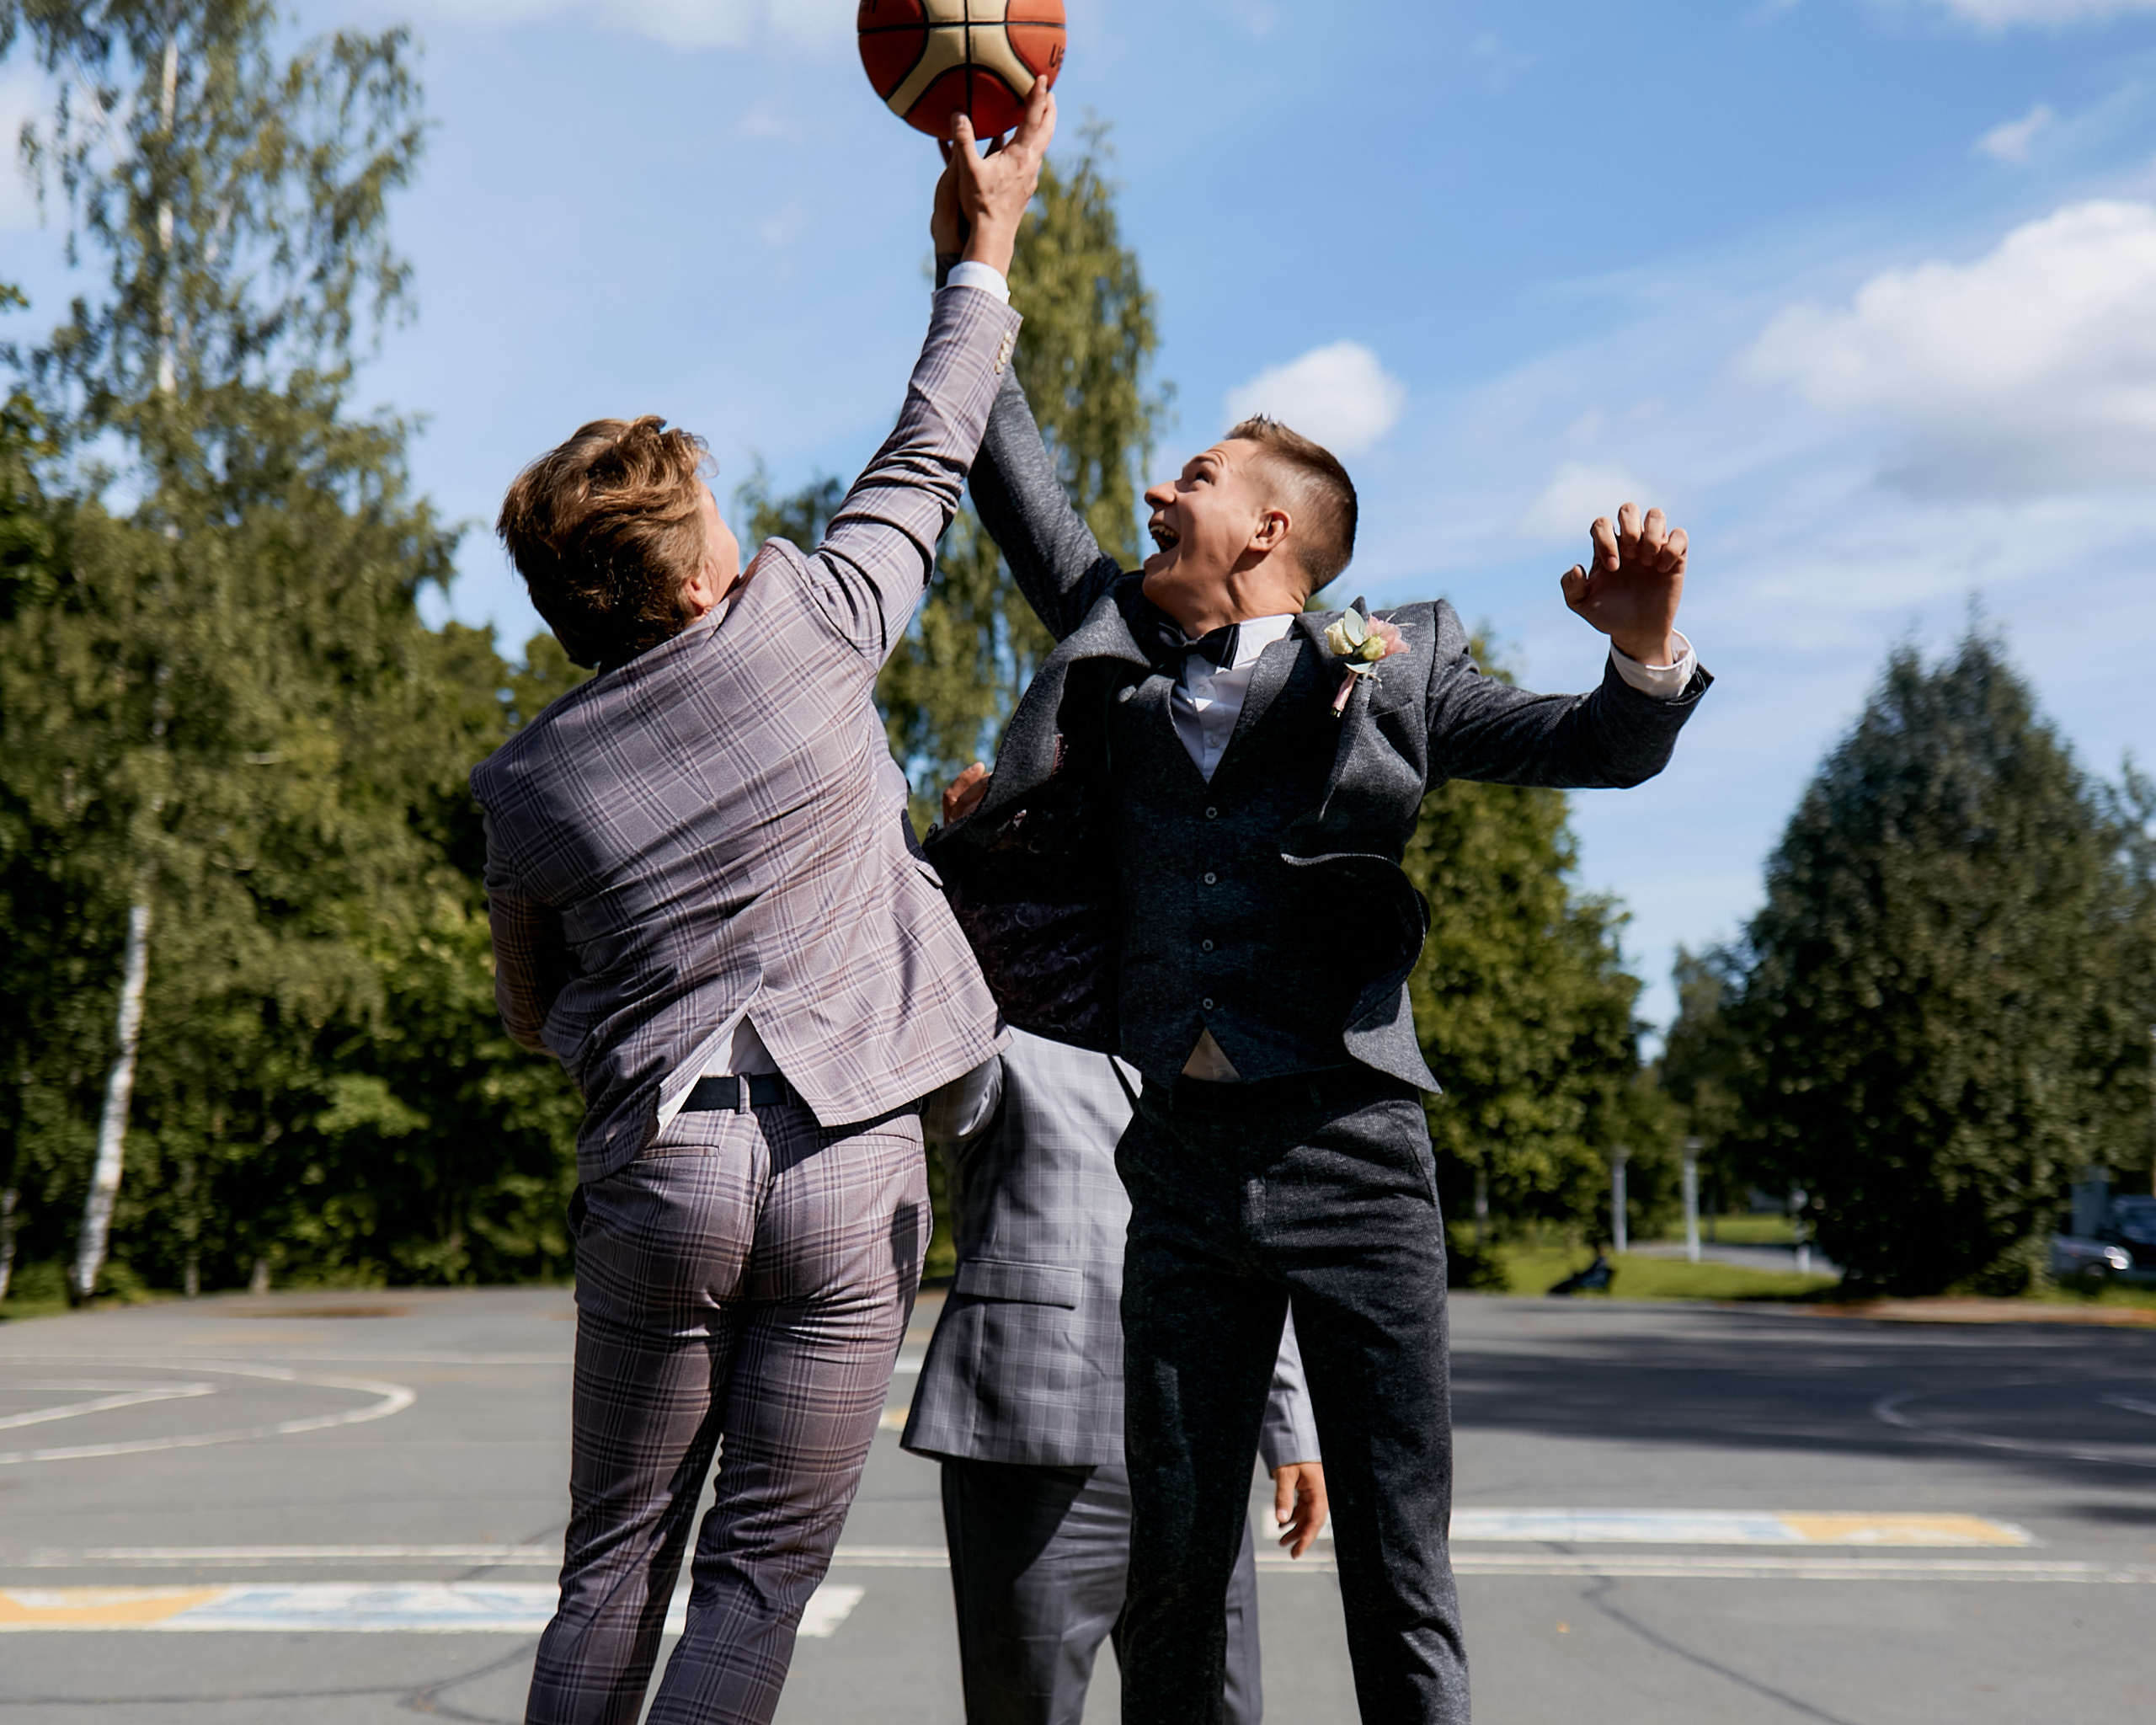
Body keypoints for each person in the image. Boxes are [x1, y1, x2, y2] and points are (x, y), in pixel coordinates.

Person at [923, 220, 1709, 1725]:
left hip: (1356, 1151)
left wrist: (1646, 650)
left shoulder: (1390, 670)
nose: (1158, 493)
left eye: (1195, 480)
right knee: (1176, 1561)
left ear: (1272, 532)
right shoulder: (1120, 655)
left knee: (1398, 1576)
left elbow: (1595, 750)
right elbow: (1009, 468)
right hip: (1183, 1164)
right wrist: (975, 253)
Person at [470, 88, 1054, 1725]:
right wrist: (977, 254)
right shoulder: (804, 625)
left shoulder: (530, 788)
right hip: (849, 1156)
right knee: (749, 1593)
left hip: (661, 1169)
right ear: (694, 579)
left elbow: (529, 1010)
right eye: (719, 520)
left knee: (610, 1572)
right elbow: (930, 448)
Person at [904, 1023, 1329, 1725]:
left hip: (1198, 1447)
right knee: (1026, 1709)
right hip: (1034, 1437)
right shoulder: (1004, 1019)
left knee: (1223, 1708)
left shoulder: (1209, 1034)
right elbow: (948, 1110)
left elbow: (1245, 1247)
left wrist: (1291, 1428)